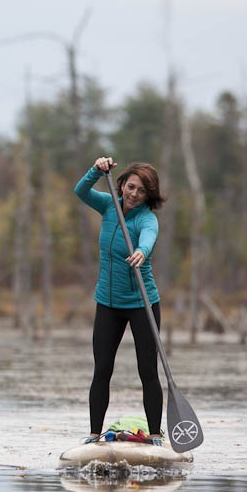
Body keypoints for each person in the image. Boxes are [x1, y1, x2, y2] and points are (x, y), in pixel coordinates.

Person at [74, 156, 167, 446]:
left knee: (148, 371)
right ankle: (93, 435)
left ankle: (155, 436)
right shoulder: (108, 206)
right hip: (108, 304)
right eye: (131, 187)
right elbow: (80, 191)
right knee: (102, 370)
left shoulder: (147, 219)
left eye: (142, 191)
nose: (134, 194)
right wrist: (95, 170)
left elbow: (149, 236)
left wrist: (141, 251)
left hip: (142, 304)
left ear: (149, 195)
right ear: (122, 184)